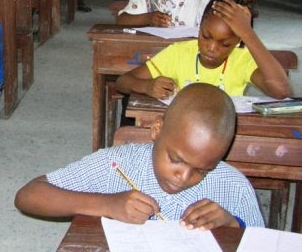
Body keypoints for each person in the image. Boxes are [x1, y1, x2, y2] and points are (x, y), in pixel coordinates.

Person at [15, 83, 265, 230]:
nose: (184, 176)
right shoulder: (117, 165)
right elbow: (28, 195)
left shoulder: (234, 187)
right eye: (176, 159)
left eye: (202, 170)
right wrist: (107, 204)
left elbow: (263, 244)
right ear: (157, 129)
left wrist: (233, 226)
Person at [115, 0, 291, 100]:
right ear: (199, 28)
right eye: (206, 36)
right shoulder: (178, 53)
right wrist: (147, 87)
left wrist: (248, 34)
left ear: (238, 41)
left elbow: (281, 91)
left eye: (225, 44)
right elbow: (122, 82)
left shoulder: (242, 59)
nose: (211, 48)